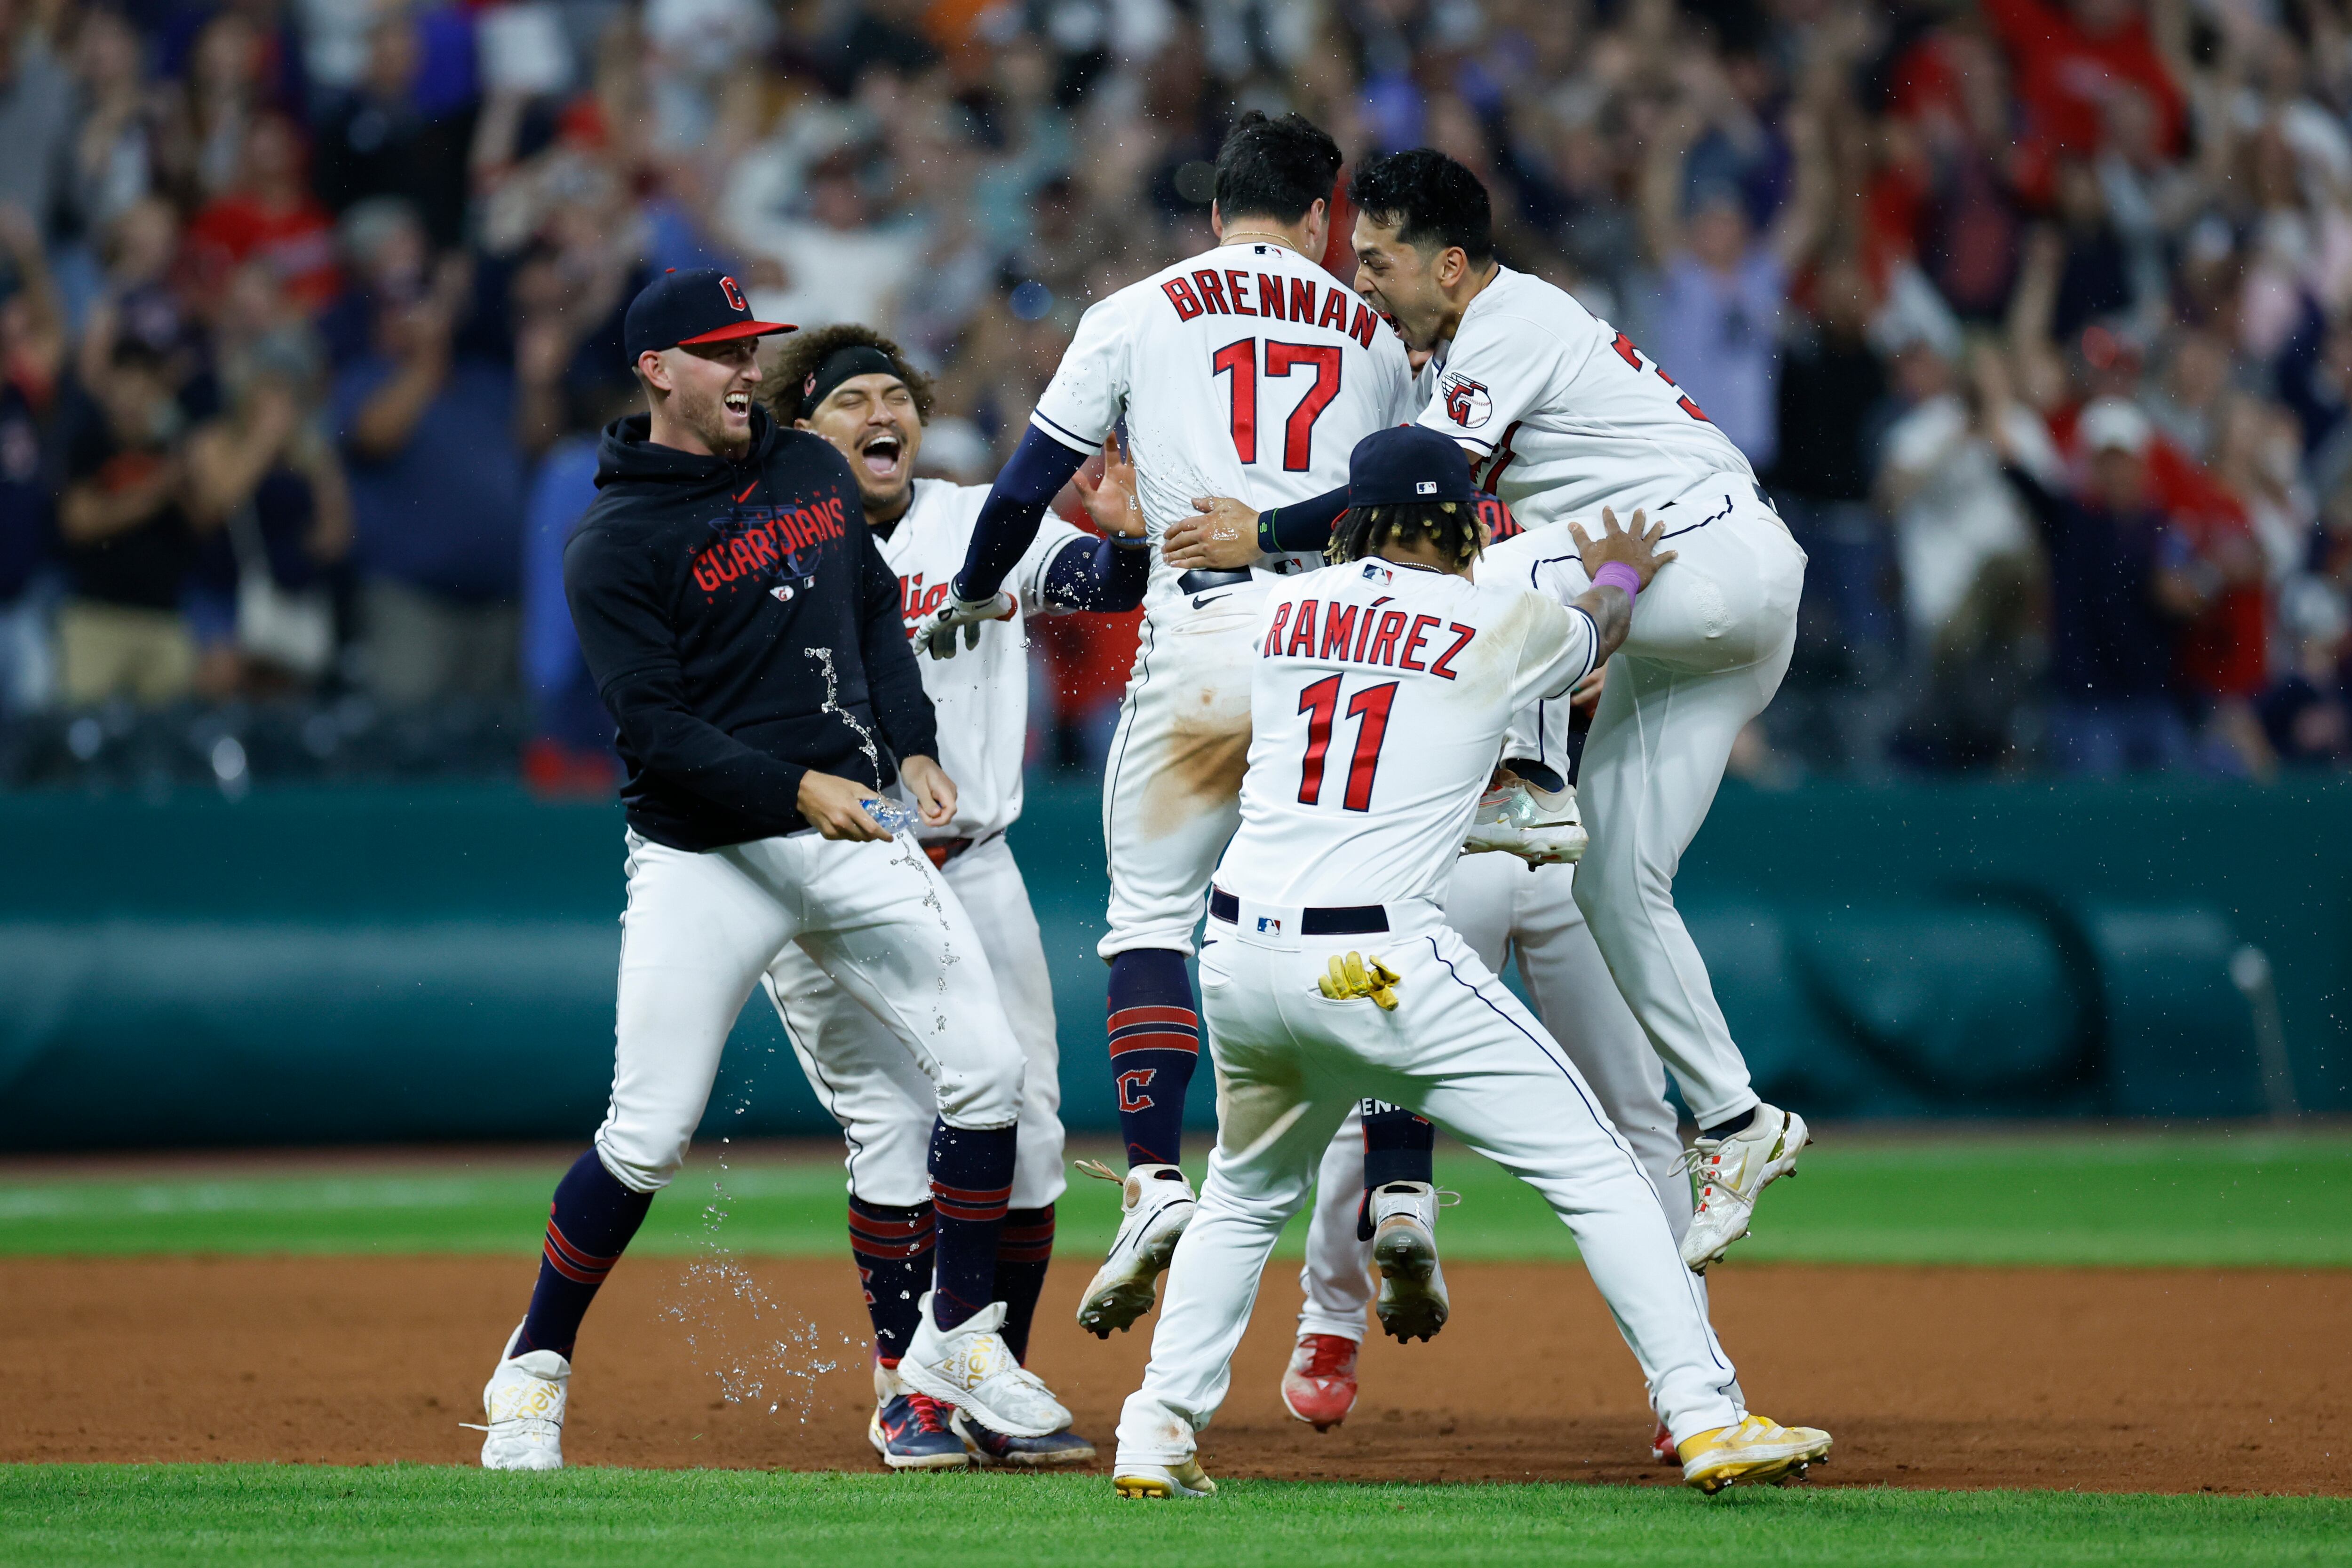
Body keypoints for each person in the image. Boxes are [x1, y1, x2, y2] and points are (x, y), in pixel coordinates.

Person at [1110, 425, 1830, 1500]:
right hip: (1377, 961)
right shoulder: (1491, 616)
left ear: (1353, 520)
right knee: (1598, 1168)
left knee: (1245, 1195)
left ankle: (1156, 1427)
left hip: (1241, 955)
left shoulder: (1280, 609)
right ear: (1460, 523)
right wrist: (1619, 569)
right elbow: (1601, 632)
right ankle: (1706, 1414)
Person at [476, 269, 1072, 1470]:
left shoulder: (807, 469)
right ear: (657, 372)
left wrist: (913, 742)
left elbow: (873, 620)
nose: (747, 369)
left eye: (752, 348)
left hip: (849, 825)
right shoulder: (613, 541)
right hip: (708, 854)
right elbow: (655, 732)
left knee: (990, 1073)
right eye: (721, 351)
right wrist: (801, 787)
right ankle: (531, 1368)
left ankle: (958, 1345)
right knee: (646, 1134)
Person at [1191, 148, 1813, 1276]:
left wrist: (1264, 534)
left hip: (1708, 546)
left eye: (1378, 259)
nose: (1361, 278)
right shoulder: (1468, 341)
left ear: (1450, 263)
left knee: (1471, 575)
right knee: (1614, 881)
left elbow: (1423, 490)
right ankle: (1737, 1118)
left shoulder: (1512, 318)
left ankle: (1521, 780)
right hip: (1702, 606)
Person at [932, 111, 1422, 1340]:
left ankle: (1155, 1176)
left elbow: (1026, 483)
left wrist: (979, 588)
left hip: (1204, 636)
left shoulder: (1138, 309)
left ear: (1215, 211)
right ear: (1322, 219)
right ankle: (1398, 1178)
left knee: (1153, 916)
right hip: (1340, 646)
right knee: (1367, 911)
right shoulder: (1373, 333)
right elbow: (1393, 505)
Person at [758, 322, 1150, 1468]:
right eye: (851, 400)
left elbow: (1098, 582)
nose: (882, 414)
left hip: (972, 859)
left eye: (897, 396)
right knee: (893, 1126)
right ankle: (902, 1386)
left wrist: (1129, 536)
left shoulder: (980, 517)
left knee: (1030, 1129)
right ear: (801, 430)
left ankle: (989, 1380)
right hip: (833, 867)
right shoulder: (760, 543)